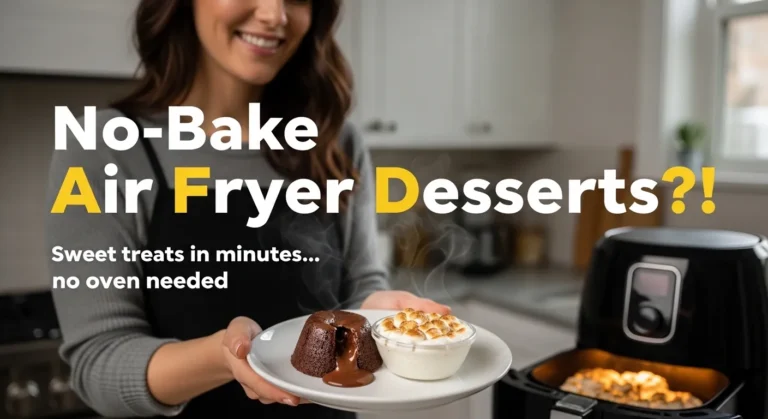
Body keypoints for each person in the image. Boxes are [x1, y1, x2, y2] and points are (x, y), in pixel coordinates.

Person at [45, 0, 449, 418]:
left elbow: (359, 289)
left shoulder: (335, 141)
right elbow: (99, 364)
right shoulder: (102, 147)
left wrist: (375, 314)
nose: (275, 15)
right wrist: (225, 356)